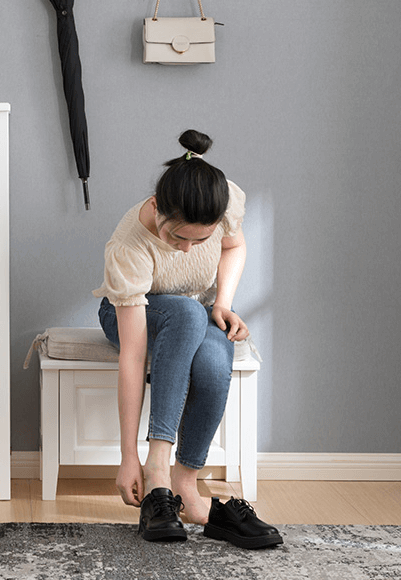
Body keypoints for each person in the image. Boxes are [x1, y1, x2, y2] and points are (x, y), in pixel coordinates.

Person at [92, 129, 282, 549]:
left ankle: (187, 489)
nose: (186, 249)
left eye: (200, 239)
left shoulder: (225, 200)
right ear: (156, 207)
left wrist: (223, 302)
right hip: (134, 312)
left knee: (214, 359)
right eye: (177, 237)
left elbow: (233, 246)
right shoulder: (129, 245)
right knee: (185, 312)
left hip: (198, 308)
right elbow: (133, 356)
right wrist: (128, 456)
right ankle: (157, 470)